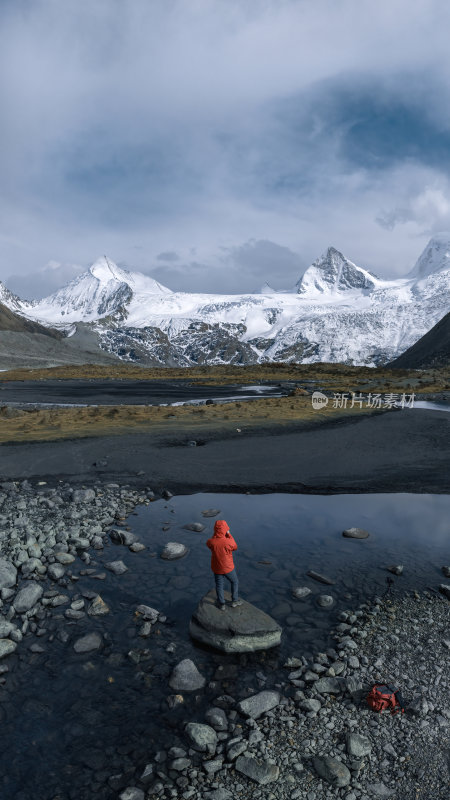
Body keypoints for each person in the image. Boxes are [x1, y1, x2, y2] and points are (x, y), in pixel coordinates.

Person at [206, 519, 242, 610]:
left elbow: (209, 544)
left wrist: (216, 534)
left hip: (217, 568)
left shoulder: (211, 542)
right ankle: (234, 601)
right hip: (228, 568)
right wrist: (229, 534)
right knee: (234, 582)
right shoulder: (228, 541)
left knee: (219, 585)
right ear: (225, 529)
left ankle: (221, 604)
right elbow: (235, 547)